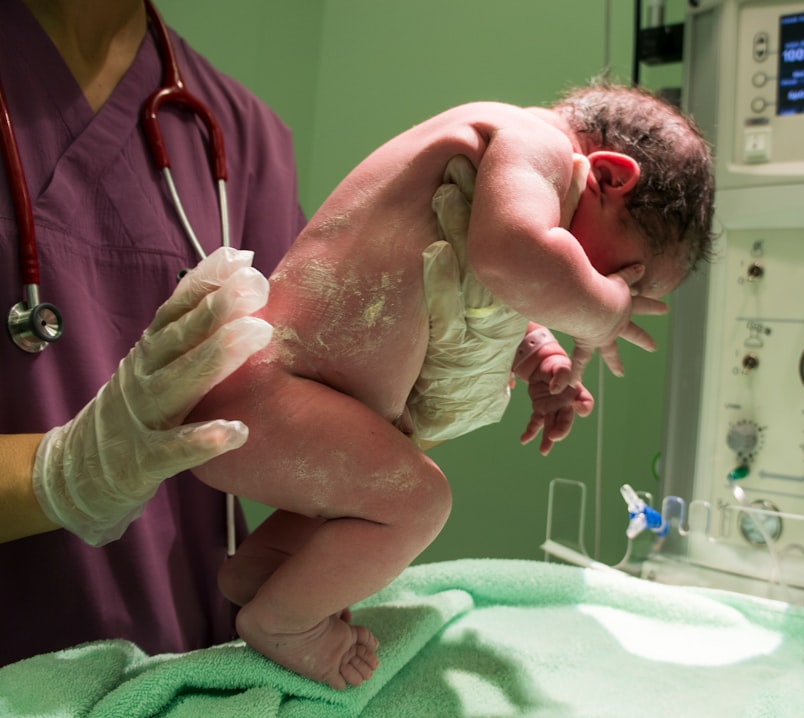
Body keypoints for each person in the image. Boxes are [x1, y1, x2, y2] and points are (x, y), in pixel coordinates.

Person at [187, 82, 716, 689]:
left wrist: (540, 354)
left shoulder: (495, 184)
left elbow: (471, 296)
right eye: (614, 273)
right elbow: (514, 256)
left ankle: (267, 573)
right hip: (271, 388)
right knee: (416, 502)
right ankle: (286, 624)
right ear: (609, 176)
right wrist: (605, 311)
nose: (597, 287)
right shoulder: (534, 140)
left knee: (382, 473)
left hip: (291, 400)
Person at [0, 0, 306, 668]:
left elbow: (311, 410)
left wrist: (454, 340)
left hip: (184, 671)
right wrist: (64, 475)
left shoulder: (239, 133)